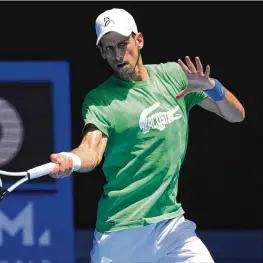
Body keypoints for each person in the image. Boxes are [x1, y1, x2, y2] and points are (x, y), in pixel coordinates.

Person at [49, 8, 245, 263]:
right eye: (108, 49)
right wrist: (71, 160)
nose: (118, 55)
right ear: (102, 53)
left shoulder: (174, 77)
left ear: (139, 40)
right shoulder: (100, 100)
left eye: (122, 44)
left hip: (171, 226)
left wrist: (212, 87)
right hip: (120, 231)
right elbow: (91, 151)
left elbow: (236, 115)